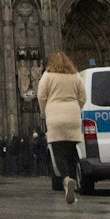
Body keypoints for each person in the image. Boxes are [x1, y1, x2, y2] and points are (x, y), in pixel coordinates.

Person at [35, 52, 85, 205]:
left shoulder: (48, 75)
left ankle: (66, 179)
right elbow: (83, 97)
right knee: (71, 153)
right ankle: (72, 186)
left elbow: (41, 95)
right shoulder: (75, 76)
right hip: (73, 116)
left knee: (58, 152)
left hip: (55, 116)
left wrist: (45, 111)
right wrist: (76, 108)